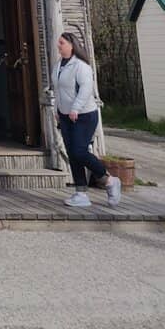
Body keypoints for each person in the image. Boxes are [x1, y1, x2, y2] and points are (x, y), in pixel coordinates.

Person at [53, 31, 121, 208]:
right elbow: (58, 90)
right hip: (65, 116)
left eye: (62, 43)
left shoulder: (81, 66)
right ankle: (81, 193)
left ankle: (109, 180)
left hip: (84, 115)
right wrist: (56, 109)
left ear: (71, 46)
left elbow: (85, 89)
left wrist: (75, 108)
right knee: (72, 153)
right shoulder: (58, 65)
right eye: (59, 42)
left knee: (79, 151)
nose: (58, 45)